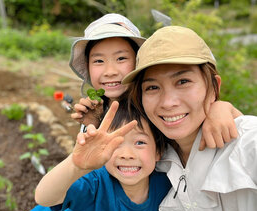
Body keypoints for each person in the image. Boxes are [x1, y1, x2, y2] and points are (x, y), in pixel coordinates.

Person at [122, 25, 257, 211]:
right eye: (152, 87)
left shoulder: (248, 143)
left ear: (213, 87)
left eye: (183, 81)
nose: (168, 102)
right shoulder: (154, 157)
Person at [69, 13, 242, 150]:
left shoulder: (154, 107)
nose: (110, 71)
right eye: (98, 61)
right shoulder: (96, 111)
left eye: (121, 58)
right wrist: (95, 124)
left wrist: (221, 108)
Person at [20, 96, 172, 211]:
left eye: (140, 143)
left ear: (159, 151)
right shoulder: (94, 182)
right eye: (116, 143)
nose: (126, 154)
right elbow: (44, 198)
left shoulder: (165, 188)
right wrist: (75, 165)